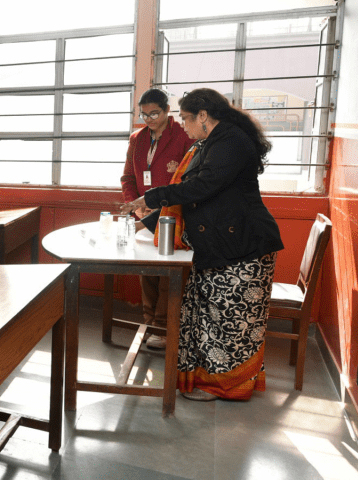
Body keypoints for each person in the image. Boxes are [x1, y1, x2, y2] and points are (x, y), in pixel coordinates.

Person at [121, 88, 284, 402]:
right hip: (222, 242)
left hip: (244, 246)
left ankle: (225, 387)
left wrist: (149, 198)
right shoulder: (211, 142)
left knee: (230, 321)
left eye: (185, 118)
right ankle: (209, 380)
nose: (182, 125)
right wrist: (148, 218)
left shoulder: (231, 142)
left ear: (204, 116)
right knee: (209, 316)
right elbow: (187, 190)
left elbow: (201, 187)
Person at [120, 89, 195, 350]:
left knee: (167, 274)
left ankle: (163, 327)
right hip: (144, 214)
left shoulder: (184, 135)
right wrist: (135, 205)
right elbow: (128, 178)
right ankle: (150, 323)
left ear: (166, 111)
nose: (148, 119)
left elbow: (188, 182)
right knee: (147, 272)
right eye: (144, 114)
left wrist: (155, 208)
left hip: (174, 215)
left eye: (154, 113)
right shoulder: (137, 139)